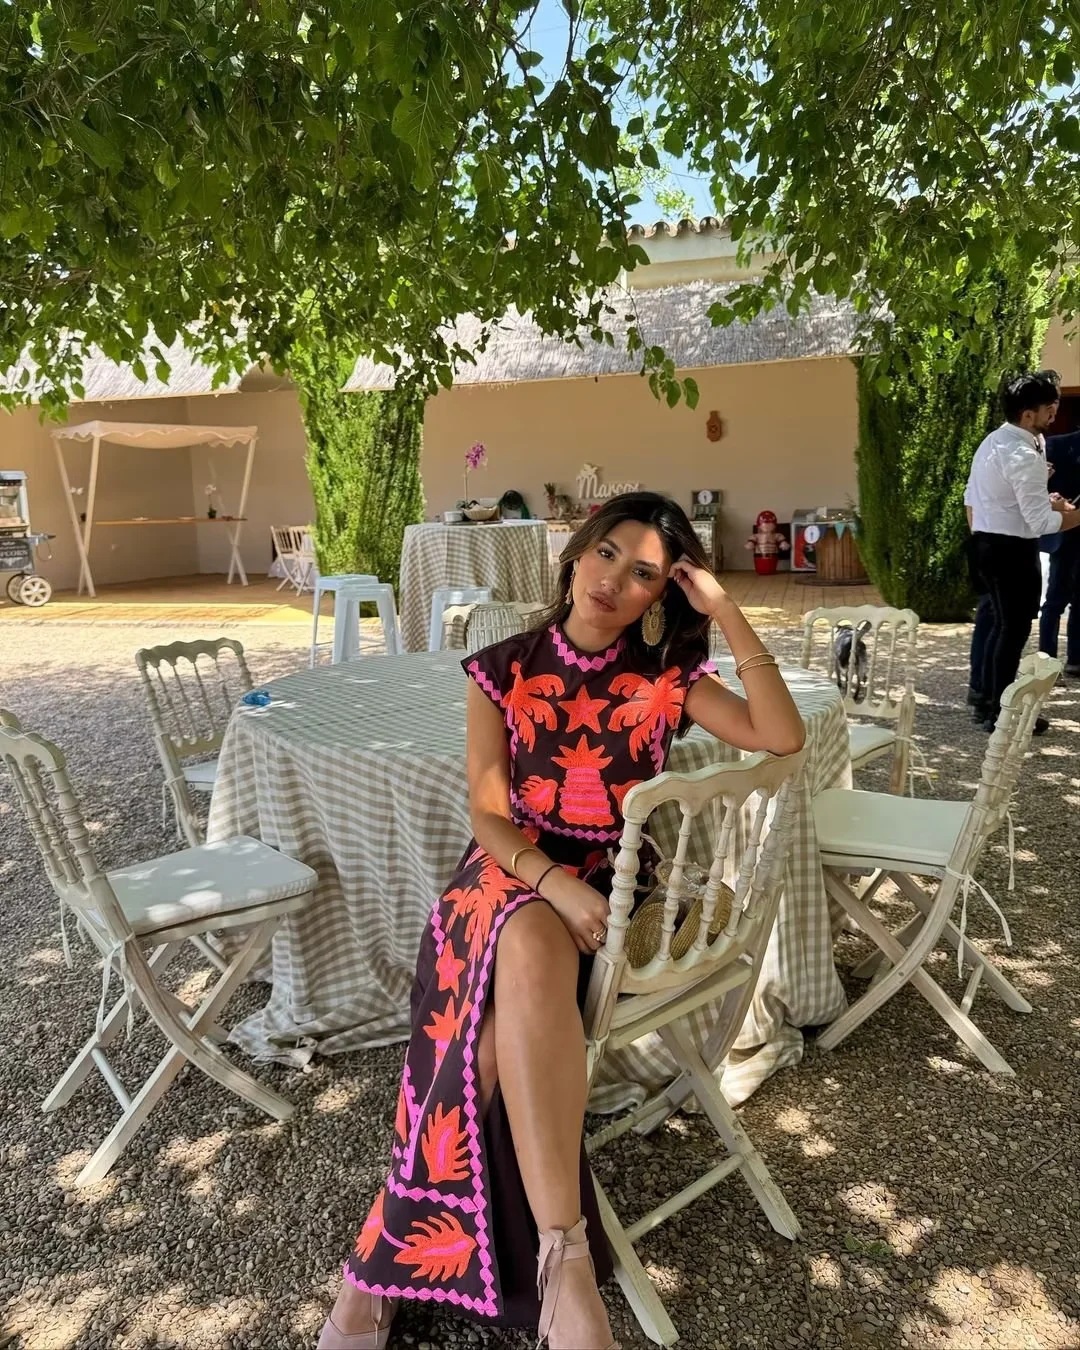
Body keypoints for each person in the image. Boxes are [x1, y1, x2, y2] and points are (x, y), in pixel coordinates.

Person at [317, 491, 806, 1350]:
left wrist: (726, 610)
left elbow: (781, 734)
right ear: (577, 553)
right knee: (523, 941)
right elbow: (488, 817)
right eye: (607, 553)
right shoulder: (500, 668)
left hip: (610, 882)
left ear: (662, 595)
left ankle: (385, 1264)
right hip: (509, 874)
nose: (613, 579)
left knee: (484, 1038)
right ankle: (566, 1263)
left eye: (644, 573)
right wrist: (554, 886)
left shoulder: (668, 681)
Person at [964, 371, 1080, 732]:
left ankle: (988, 702)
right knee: (1011, 633)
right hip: (1010, 551)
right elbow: (1039, 523)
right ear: (1028, 414)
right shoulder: (1022, 453)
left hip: (986, 543)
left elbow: (977, 497)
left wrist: (1048, 500)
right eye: (1049, 407)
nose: (1055, 412)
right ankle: (1001, 716)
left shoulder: (994, 441)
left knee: (1001, 628)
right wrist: (1075, 516)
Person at [1038, 428, 1080, 676]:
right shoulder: (1056, 445)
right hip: (1064, 532)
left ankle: (1076, 659)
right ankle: (1047, 662)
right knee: (1055, 599)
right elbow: (1040, 487)